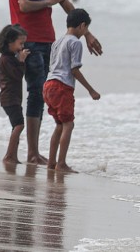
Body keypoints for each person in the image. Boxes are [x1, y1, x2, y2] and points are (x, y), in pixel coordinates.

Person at [8, 0, 103, 165]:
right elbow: (23, 4)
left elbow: (67, 5)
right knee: (35, 92)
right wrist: (47, 2)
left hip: (48, 42)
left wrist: (87, 33)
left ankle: (37, 153)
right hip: (28, 41)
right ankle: (32, 153)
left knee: (41, 94)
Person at [43, 9, 101, 173]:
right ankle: (61, 163)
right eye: (86, 29)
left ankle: (51, 162)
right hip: (62, 86)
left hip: (48, 85)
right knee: (68, 124)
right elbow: (74, 70)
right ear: (83, 26)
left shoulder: (57, 41)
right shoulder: (75, 43)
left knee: (59, 125)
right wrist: (91, 90)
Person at [0, 24, 30, 165]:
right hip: (9, 98)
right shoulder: (5, 59)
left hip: (13, 98)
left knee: (16, 125)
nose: (21, 47)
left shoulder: (10, 57)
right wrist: (21, 61)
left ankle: (13, 155)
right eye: (20, 43)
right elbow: (17, 75)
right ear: (9, 42)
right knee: (19, 125)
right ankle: (9, 155)